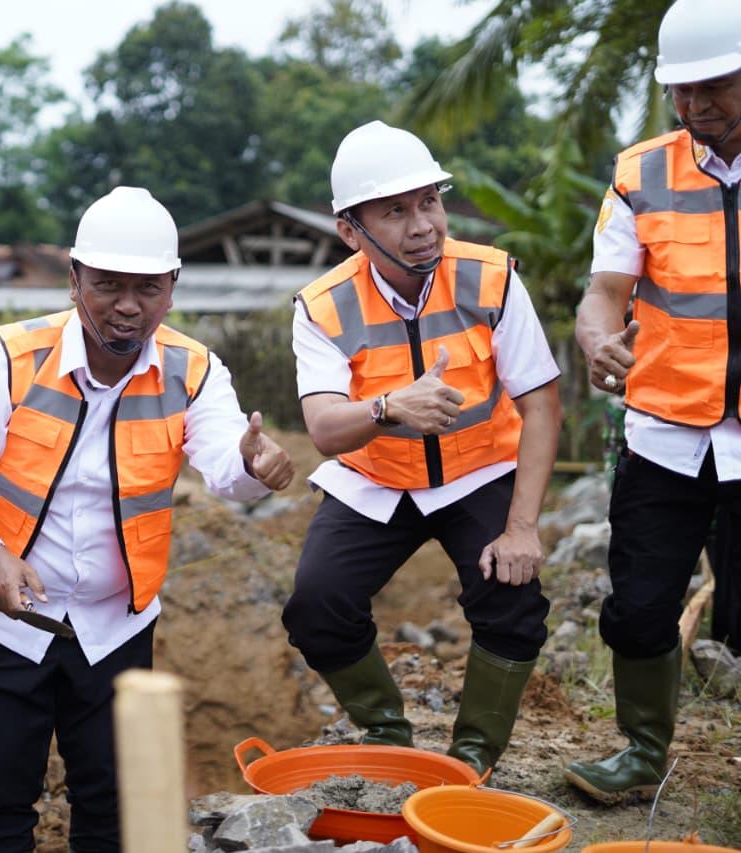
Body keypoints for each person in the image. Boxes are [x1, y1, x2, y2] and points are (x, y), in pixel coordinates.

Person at [0, 186, 295, 851]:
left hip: (113, 627)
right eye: (108, 284)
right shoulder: (10, 359)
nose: (128, 304)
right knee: (0, 803)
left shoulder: (195, 372)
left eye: (147, 286)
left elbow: (224, 467)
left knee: (114, 808)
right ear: (73, 280)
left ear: (172, 287)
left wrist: (251, 464)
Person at [282, 121, 562, 777]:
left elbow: (541, 404)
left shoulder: (490, 279)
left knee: (512, 597)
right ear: (351, 230)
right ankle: (387, 731)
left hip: (477, 471)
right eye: (396, 210)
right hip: (376, 477)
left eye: (430, 201)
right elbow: (323, 427)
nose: (423, 224)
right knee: (316, 604)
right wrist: (388, 408)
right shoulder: (322, 307)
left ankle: (473, 755)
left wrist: (522, 527)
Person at [565, 0, 741, 803]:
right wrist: (599, 338)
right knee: (637, 608)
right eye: (683, 92)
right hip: (666, 431)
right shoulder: (641, 173)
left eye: (716, 87)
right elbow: (603, 293)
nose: (698, 105)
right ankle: (640, 756)